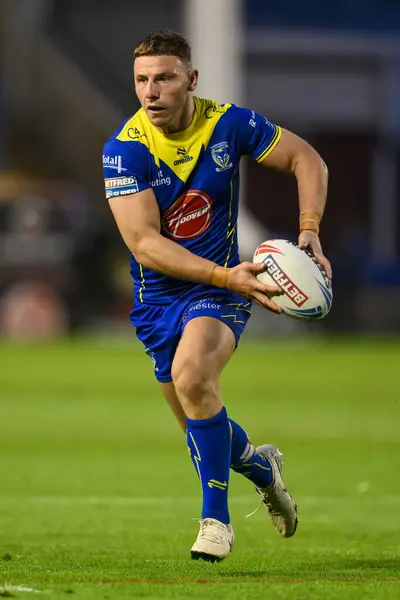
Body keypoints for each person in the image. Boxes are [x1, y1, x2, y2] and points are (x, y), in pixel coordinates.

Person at [103, 29, 331, 563]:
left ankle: (215, 521)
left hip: (223, 287)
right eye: (141, 80)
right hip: (159, 300)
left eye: (164, 78)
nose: (150, 92)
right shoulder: (125, 150)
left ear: (192, 80)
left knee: (192, 377)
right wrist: (227, 276)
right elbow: (145, 246)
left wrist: (309, 228)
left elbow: (307, 160)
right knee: (201, 421)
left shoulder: (229, 124)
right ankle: (260, 466)